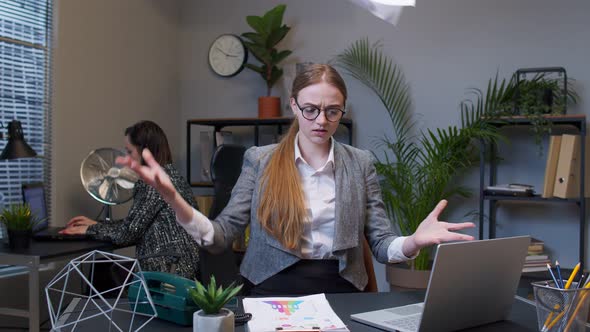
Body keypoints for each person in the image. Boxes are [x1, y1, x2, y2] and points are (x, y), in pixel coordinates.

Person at [117, 64, 475, 295]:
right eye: (311, 109)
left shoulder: (360, 163)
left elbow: (381, 245)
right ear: (294, 106)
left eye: (333, 111)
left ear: (341, 110)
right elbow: (220, 236)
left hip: (340, 287)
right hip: (272, 285)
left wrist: (413, 241)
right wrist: (174, 200)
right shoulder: (260, 160)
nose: (322, 120)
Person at [61, 120, 201, 280]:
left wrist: (89, 230)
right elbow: (136, 223)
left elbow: (128, 234)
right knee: (102, 273)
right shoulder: (170, 174)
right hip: (182, 267)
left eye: (129, 152)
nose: (125, 159)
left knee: (100, 275)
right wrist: (98, 225)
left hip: (168, 276)